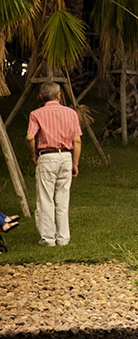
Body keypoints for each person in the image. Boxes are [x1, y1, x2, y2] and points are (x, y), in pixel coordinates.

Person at [25, 82, 82, 247]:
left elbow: (30, 137)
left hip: (47, 156)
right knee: (63, 199)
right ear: (59, 95)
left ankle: (48, 238)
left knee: (45, 198)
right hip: (66, 156)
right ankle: (63, 238)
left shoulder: (36, 114)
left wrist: (33, 154)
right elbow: (77, 140)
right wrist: (75, 163)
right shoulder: (71, 113)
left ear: (41, 97)